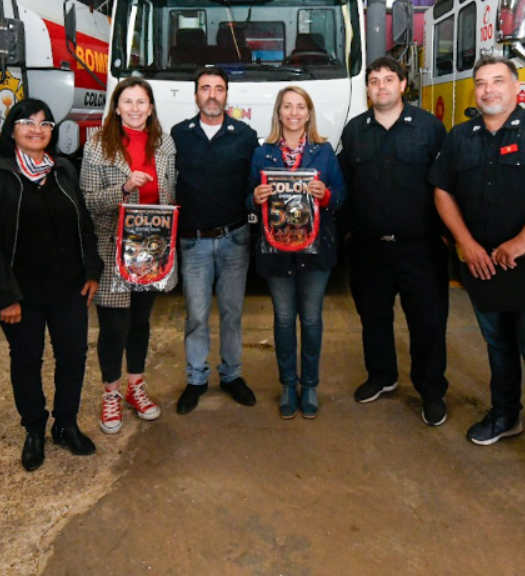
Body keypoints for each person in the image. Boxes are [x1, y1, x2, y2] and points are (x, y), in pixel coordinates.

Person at [430, 55, 525, 500]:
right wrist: (465, 244)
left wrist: (523, 240)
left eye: (497, 81)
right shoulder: (461, 137)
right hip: (480, 264)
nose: (487, 90)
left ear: (516, 87)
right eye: (480, 83)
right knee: (497, 345)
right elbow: (442, 191)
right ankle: (505, 415)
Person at [0, 98, 103, 471]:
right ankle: (34, 428)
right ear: (12, 129)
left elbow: (84, 225)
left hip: (69, 288)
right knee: (27, 360)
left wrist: (91, 271)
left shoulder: (62, 170)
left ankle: (65, 424)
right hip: (21, 294)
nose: (37, 130)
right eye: (27, 122)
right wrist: (4, 296)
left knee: (73, 356)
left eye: (45, 124)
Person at [338, 57, 450, 426]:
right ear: (367, 88)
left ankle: (431, 391)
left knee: (427, 323)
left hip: (420, 247)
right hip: (369, 247)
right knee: (373, 318)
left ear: (404, 85)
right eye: (374, 80)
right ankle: (382, 376)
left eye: (389, 79)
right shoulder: (354, 131)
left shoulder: (429, 128)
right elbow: (344, 185)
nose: (381, 86)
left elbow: (446, 185)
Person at [81, 77, 176, 432]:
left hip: (153, 251)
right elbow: (89, 202)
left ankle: (136, 386)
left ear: (151, 108)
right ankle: (111, 393)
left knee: (140, 322)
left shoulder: (165, 143)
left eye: (142, 102)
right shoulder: (97, 146)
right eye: (128, 102)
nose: (135, 109)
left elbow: (171, 192)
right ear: (117, 107)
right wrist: (123, 188)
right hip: (113, 250)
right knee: (113, 327)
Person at [249, 86, 346, 419]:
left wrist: (327, 194)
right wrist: (256, 197)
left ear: (308, 113)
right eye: (287, 106)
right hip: (276, 251)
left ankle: (311, 385)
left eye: (300, 107)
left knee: (313, 319)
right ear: (278, 113)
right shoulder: (263, 153)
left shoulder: (324, 152)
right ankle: (288, 384)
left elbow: (342, 196)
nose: (293, 112)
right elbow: (247, 200)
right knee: (284, 319)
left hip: (315, 251)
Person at [171, 66, 260, 414]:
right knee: (195, 315)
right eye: (205, 88)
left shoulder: (245, 136)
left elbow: (255, 186)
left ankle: (232, 375)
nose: (212, 94)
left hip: (234, 240)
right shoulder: (178, 135)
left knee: (233, 314)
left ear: (226, 95)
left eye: (218, 88)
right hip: (192, 243)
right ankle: (196, 379)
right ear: (196, 95)